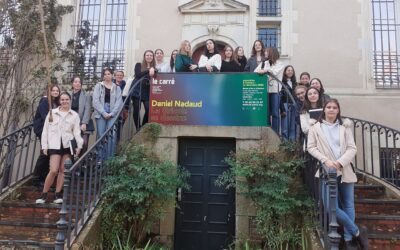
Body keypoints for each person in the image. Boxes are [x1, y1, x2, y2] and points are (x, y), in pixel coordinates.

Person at [307, 99, 368, 250]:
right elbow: (311, 147)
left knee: (348, 204)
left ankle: (348, 239)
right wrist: (326, 160)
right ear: (324, 110)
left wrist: (340, 162)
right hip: (326, 171)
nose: (331, 110)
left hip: (345, 169)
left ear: (338, 111)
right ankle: (357, 231)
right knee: (329, 206)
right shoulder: (315, 128)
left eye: (335, 107)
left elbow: (352, 148)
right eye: (329, 107)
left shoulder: (344, 128)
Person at [36, 92, 83, 204]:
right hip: (55, 145)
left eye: (67, 99)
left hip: (67, 146)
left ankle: (58, 194)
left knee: (63, 170)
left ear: (70, 100)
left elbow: (77, 132)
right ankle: (44, 195)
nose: (64, 101)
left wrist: (79, 146)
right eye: (62, 99)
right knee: (53, 170)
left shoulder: (74, 115)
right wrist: (44, 146)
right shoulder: (52, 113)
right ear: (59, 101)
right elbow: (45, 131)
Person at [33, 84, 60, 184]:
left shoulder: (55, 103)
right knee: (44, 153)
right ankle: (36, 177)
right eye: (53, 90)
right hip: (43, 130)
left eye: (57, 91)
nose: (55, 92)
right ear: (49, 91)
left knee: (48, 153)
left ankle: (43, 177)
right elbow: (46, 116)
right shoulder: (45, 101)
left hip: (51, 131)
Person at [92, 68, 123, 156]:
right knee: (101, 135)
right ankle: (100, 160)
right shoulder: (98, 86)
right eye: (105, 74)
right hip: (101, 112)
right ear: (103, 76)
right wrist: (104, 113)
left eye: (109, 74)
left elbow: (119, 102)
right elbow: (95, 101)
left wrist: (112, 113)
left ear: (112, 75)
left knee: (112, 135)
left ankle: (110, 159)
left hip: (112, 113)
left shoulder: (117, 88)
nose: (107, 76)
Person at [254, 47, 285, 134]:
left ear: (272, 53)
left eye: (267, 52)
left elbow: (274, 72)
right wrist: (262, 70)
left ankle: (275, 133)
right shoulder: (264, 63)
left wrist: (265, 70)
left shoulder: (280, 64)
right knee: (266, 112)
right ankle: (267, 131)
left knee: (275, 112)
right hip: (265, 90)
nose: (265, 53)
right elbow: (255, 71)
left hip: (275, 90)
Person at [131, 50, 156, 130]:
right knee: (136, 109)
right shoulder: (139, 65)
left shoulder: (155, 68)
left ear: (153, 57)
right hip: (137, 89)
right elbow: (138, 75)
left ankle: (143, 126)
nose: (149, 57)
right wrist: (148, 70)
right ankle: (138, 128)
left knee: (149, 109)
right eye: (147, 55)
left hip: (147, 91)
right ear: (144, 57)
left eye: (151, 55)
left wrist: (153, 71)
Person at [70, 76, 92, 156]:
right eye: (75, 82)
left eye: (79, 82)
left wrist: (84, 123)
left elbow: (88, 109)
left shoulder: (86, 95)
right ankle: (73, 163)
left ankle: (82, 163)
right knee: (72, 144)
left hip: (83, 122)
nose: (77, 84)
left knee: (84, 143)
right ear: (72, 83)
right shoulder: (68, 94)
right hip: (71, 122)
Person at [280, 65, 297, 141]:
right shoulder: (281, 82)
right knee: (285, 126)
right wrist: (282, 109)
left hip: (294, 105)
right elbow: (280, 96)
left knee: (293, 125)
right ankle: (285, 142)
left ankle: (292, 142)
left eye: (291, 70)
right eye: (288, 70)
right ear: (285, 72)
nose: (290, 72)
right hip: (285, 104)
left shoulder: (295, 83)